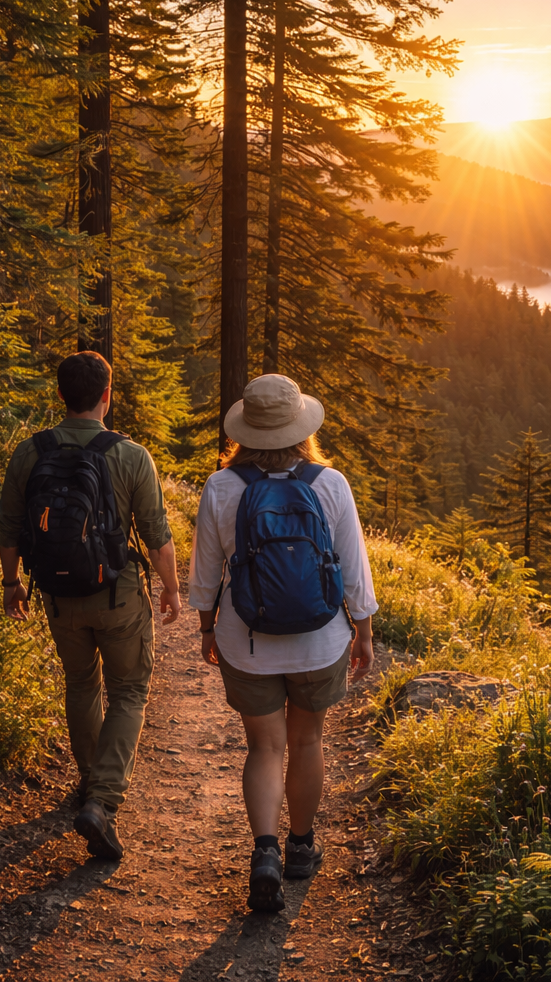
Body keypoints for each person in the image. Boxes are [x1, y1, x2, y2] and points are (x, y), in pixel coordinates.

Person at [190, 373, 376, 913]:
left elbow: (205, 575)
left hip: (246, 640)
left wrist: (207, 629)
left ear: (244, 430)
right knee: (308, 740)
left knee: (265, 747)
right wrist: (362, 630)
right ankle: (301, 848)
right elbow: (353, 570)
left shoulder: (222, 487)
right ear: (301, 428)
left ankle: (265, 853)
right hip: (320, 641)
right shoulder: (330, 483)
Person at [0, 351, 180, 860]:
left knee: (81, 684)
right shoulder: (130, 455)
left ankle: (87, 784)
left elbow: (10, 526)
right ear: (107, 395)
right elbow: (156, 533)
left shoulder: (29, 452)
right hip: (118, 595)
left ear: (60, 396)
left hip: (58, 596)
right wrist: (170, 587)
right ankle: (101, 799)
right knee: (128, 689)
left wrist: (12, 583)